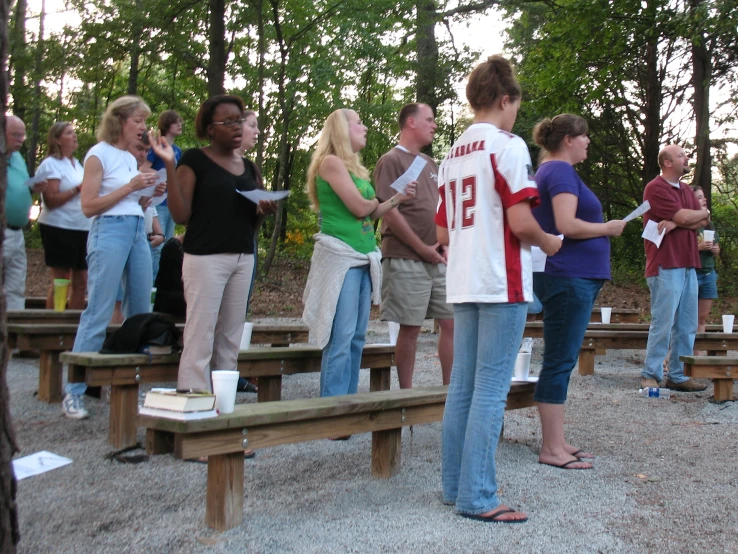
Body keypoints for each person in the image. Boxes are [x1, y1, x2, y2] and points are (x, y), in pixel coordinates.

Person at [436, 55, 561, 523]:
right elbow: (521, 221)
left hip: (464, 277)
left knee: (463, 388)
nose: (516, 115)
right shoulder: (505, 146)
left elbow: (443, 233)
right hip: (501, 278)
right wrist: (551, 242)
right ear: (506, 99)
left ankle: (455, 487)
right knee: (490, 389)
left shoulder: (452, 153)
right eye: (516, 105)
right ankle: (479, 496)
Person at [163, 95, 277, 393]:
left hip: (242, 257)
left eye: (239, 120)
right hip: (205, 258)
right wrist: (167, 166)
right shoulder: (194, 160)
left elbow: (250, 221)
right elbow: (180, 213)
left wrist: (263, 212)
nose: (237, 127)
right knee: (201, 333)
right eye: (227, 122)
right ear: (210, 129)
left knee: (231, 336)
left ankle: (222, 404)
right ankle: (192, 396)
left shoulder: (250, 168)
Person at [530, 114, 626, 470]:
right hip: (568, 276)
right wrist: (608, 228)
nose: (588, 142)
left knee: (562, 357)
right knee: (559, 358)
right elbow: (567, 225)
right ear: (569, 139)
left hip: (571, 276)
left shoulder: (554, 171)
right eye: (584, 136)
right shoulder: (559, 172)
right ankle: (551, 448)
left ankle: (558, 440)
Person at [303, 108, 416, 402]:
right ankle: (333, 408)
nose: (364, 127)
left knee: (356, 337)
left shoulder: (353, 168)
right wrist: (372, 201)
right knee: (340, 337)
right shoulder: (330, 162)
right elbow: (358, 208)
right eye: (359, 122)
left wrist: (396, 199)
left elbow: (372, 211)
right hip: (341, 257)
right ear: (342, 130)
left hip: (363, 257)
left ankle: (349, 403)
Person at [62, 96, 161, 419]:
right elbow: (89, 206)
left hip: (135, 230)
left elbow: (132, 201)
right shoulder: (97, 154)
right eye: (138, 121)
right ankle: (74, 392)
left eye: (145, 121)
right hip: (109, 230)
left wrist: (147, 195)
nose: (143, 128)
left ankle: (132, 386)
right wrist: (131, 186)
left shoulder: (130, 159)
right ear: (119, 121)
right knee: (100, 308)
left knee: (140, 309)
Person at [373, 103, 454, 388]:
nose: (434, 125)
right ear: (411, 122)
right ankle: (405, 396)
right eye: (429, 120)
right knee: (410, 328)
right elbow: (389, 211)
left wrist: (443, 244)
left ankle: (449, 393)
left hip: (438, 256)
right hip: (406, 256)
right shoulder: (390, 160)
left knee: (452, 322)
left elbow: (442, 207)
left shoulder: (430, 164)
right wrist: (421, 247)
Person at [641, 145, 709, 392]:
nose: (686, 157)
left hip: (689, 264)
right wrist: (680, 219)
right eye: (681, 155)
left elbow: (705, 218)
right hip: (665, 264)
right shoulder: (656, 188)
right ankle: (651, 373)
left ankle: (678, 376)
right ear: (667, 163)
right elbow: (687, 217)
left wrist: (677, 222)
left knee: (687, 323)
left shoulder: (686, 190)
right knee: (664, 321)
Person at [35, 122, 90, 310]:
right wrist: (77, 189)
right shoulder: (51, 164)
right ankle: (53, 324)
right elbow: (50, 200)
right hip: (59, 227)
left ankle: (73, 328)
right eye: (69, 133)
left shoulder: (78, 164)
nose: (74, 136)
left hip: (83, 227)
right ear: (57, 140)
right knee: (61, 281)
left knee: (82, 281)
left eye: (75, 132)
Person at [3, 114, 48, 310]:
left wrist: (33, 185)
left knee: (16, 285)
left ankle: (13, 334)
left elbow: (17, 185)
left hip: (17, 232)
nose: (21, 140)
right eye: (15, 135)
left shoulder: (17, 157)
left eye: (22, 136)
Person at [142, 110, 183, 241]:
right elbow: (143, 168)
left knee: (169, 241)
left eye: (180, 121)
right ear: (167, 123)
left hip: (171, 201)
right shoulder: (156, 145)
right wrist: (161, 177)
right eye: (176, 122)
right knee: (157, 243)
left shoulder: (177, 150)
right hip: (157, 200)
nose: (180, 124)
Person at [692, 186, 720, 338]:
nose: (704, 200)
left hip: (709, 274)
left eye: (703, 197)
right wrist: (699, 247)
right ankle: (677, 355)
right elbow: (682, 252)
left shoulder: (709, 224)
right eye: (699, 197)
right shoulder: (687, 225)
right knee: (686, 318)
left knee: (702, 318)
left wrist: (715, 250)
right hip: (692, 274)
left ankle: (698, 354)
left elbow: (717, 248)